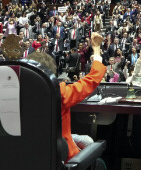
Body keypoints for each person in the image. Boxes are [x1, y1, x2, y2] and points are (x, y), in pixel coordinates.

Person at [28, 32, 106, 161]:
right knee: (96, 157)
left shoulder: (11, 96)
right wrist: (96, 49)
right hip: (61, 155)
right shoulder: (61, 93)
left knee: (86, 140)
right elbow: (92, 79)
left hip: (28, 154)